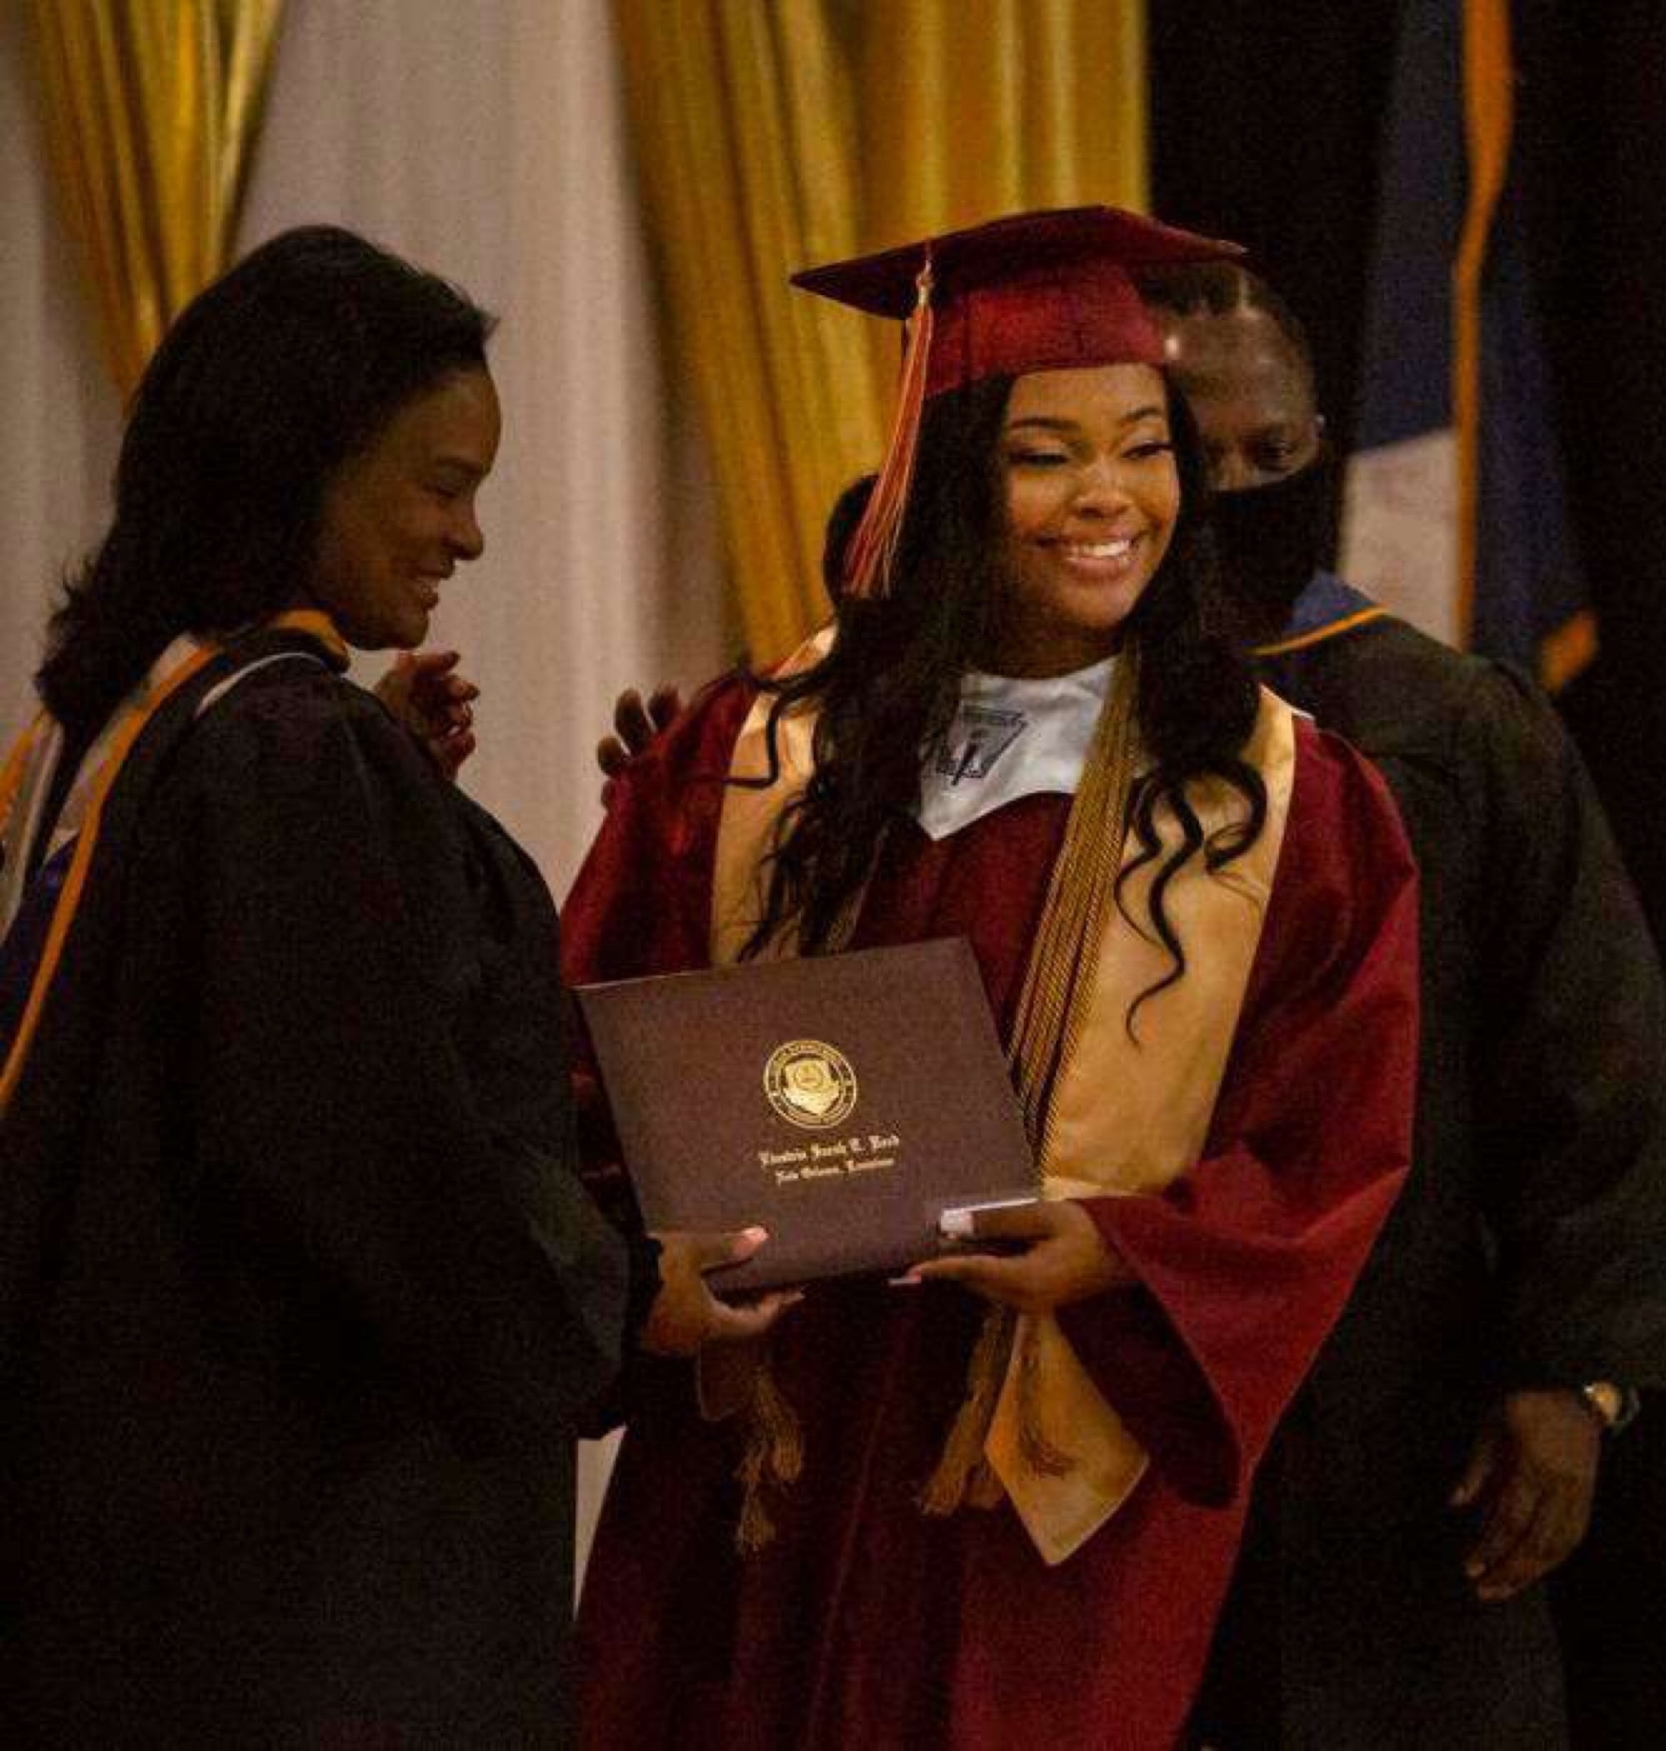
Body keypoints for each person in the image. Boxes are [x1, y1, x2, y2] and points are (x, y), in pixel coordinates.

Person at [562, 207, 1421, 1750]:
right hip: (773, 1442)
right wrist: (654, 1254)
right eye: (1046, 454)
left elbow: (1334, 1138)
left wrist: (1120, 1252)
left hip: (1051, 1474)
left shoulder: (1282, 802)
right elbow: (587, 1053)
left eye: (1145, 447)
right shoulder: (758, 751)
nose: (1111, 499)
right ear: (952, 478)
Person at [0, 225, 779, 1745]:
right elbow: (370, 1159)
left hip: (128, 1538)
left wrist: (396, 802)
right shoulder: (286, 751)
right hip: (307, 1564)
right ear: (300, 467)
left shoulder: (118, 723)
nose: (471, 536)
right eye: (442, 483)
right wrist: (623, 1301)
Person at [1143, 259, 1666, 1747]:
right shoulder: (1052, 723)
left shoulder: (1450, 725)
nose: (1236, 489)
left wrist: (1576, 1375)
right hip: (1131, 1387)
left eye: (1272, 454)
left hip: (1400, 1404)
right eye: (1191, 454)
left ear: (1325, 443)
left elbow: (1594, 1058)